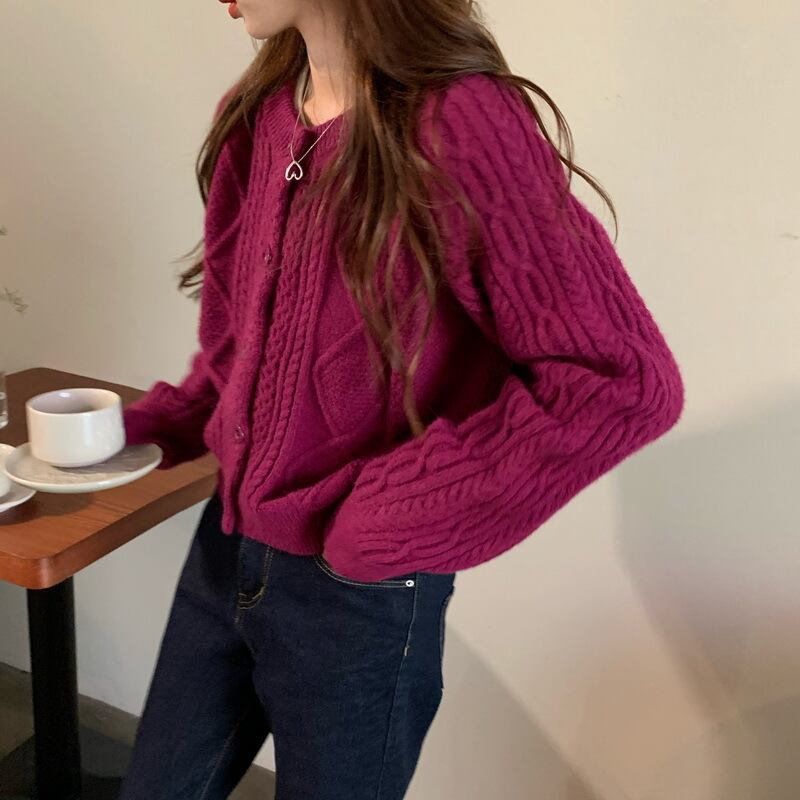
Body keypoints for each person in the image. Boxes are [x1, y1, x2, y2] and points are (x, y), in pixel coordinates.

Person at [117, 0, 685, 797]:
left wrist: (377, 523)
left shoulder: (461, 122)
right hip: (225, 549)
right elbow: (238, 350)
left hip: (358, 599)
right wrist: (139, 429)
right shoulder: (257, 115)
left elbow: (619, 381)